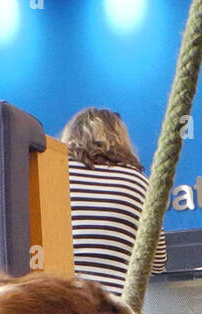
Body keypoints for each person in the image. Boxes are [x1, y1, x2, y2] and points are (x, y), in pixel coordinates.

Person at [61, 107, 167, 298]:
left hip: (64, 303)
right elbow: (157, 262)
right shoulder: (138, 182)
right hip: (116, 309)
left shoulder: (54, 175)